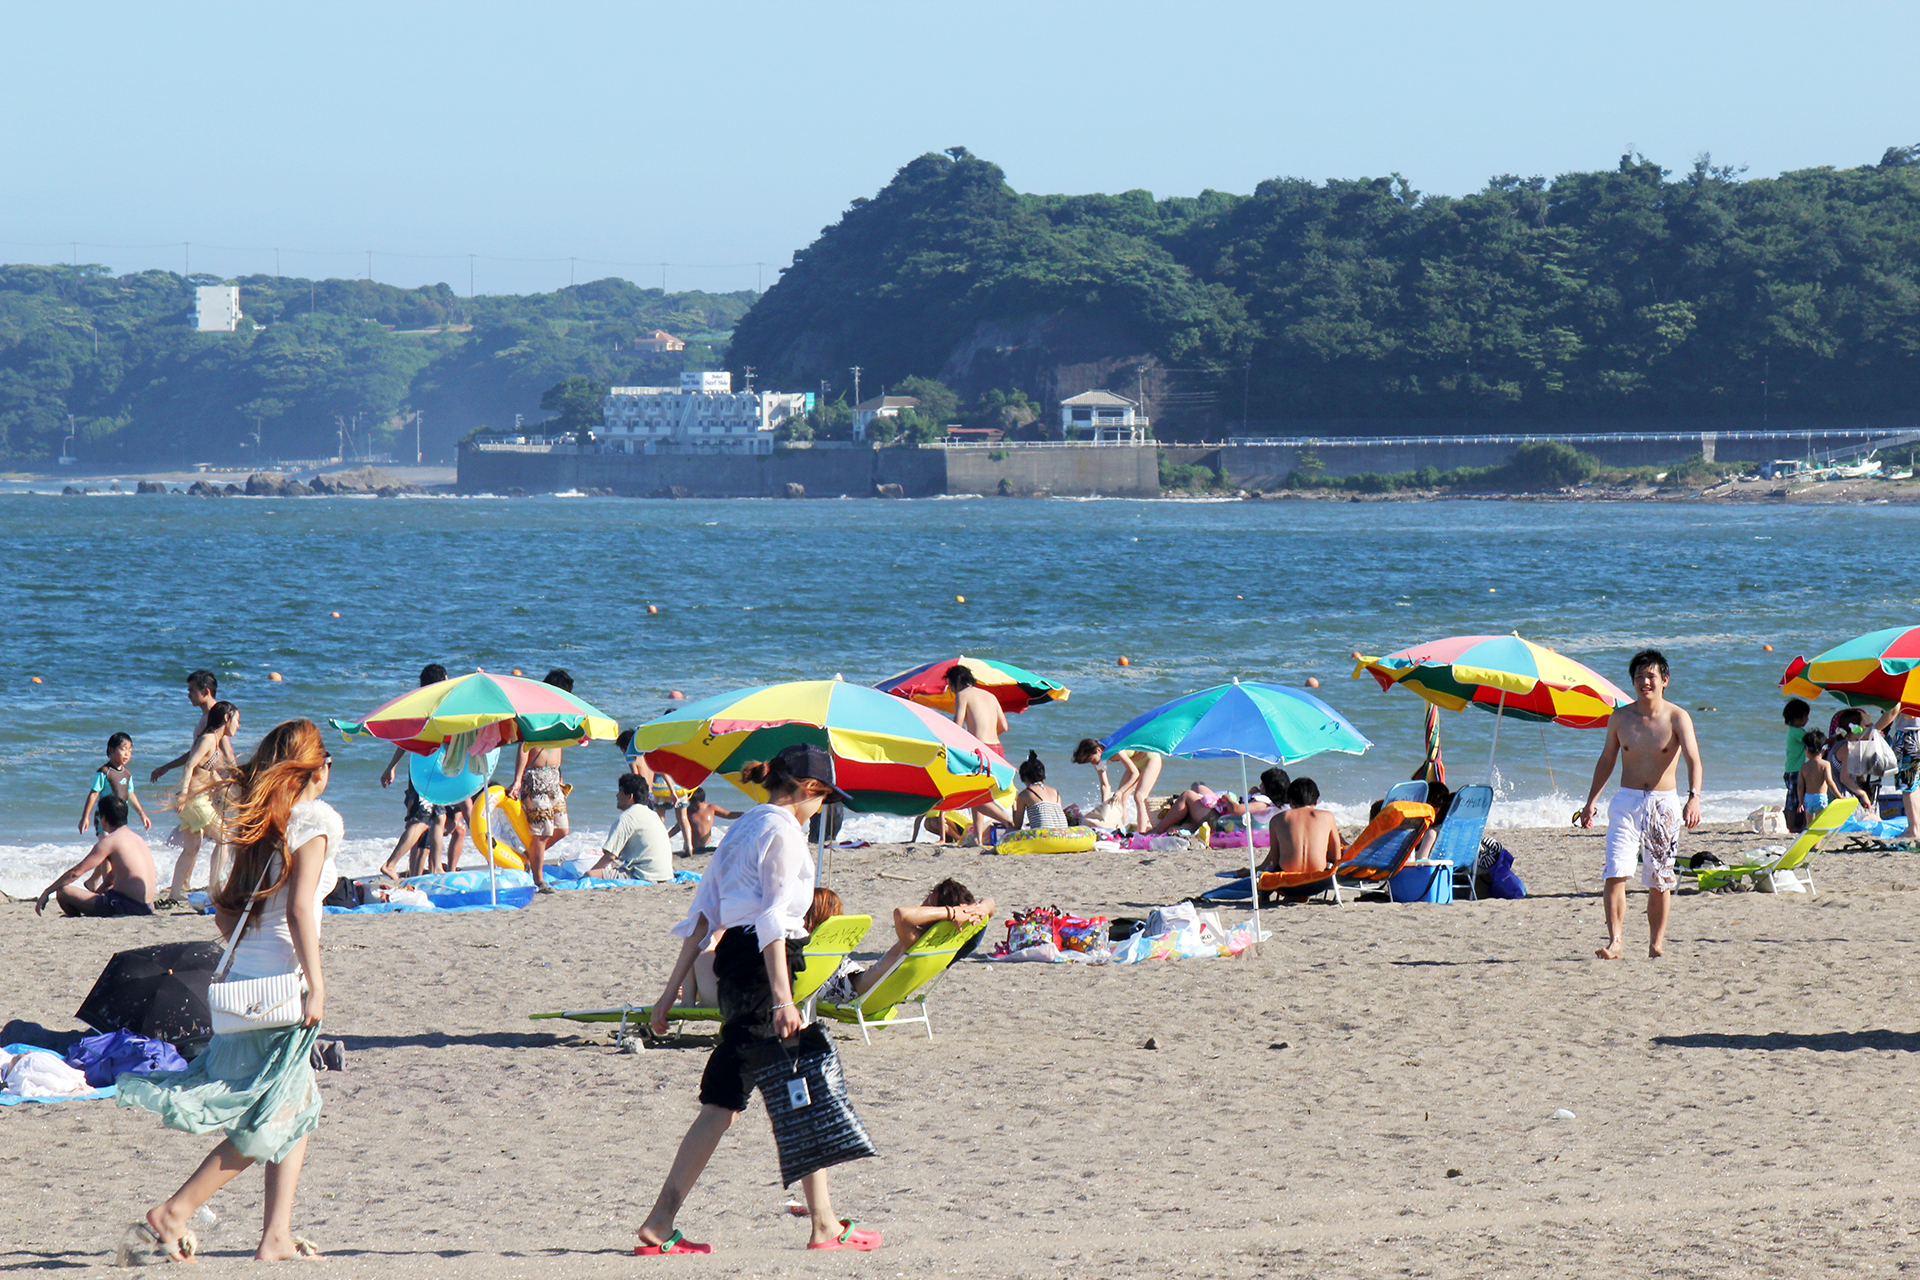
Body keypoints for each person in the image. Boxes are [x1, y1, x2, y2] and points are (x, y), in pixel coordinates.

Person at [634, 743, 880, 1255]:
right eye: (826, 798)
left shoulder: (743, 827)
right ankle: (825, 1226)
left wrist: (669, 993)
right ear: (809, 789)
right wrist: (783, 999)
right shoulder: (784, 833)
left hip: (734, 975)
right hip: (765, 971)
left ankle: (660, 1224)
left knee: (722, 1102)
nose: (823, 809)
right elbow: (772, 921)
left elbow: (703, 916)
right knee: (804, 1090)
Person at [115, 719, 338, 1264]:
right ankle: (175, 1211)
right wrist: (317, 982)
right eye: (328, 757)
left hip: (245, 982)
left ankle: (276, 1235)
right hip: (284, 985)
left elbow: (225, 911)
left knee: (296, 1104)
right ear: (312, 768)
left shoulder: (263, 824)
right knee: (273, 1114)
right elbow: (302, 908)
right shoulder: (316, 820)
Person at [1577, 648, 1704, 961]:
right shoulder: (1621, 717)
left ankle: (1655, 943)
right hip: (1627, 802)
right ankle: (1615, 941)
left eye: (1651, 676)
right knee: (1615, 872)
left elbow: (1693, 759)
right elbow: (1607, 759)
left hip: (1664, 804)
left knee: (1660, 877)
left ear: (1664, 680)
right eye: (1639, 677)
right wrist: (1590, 801)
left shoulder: (1677, 717)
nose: (1645, 682)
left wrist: (1694, 797)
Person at [818, 878, 995, 1003]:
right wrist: (981, 908)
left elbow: (901, 914)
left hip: (843, 988)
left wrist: (951, 912)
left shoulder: (917, 941)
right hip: (851, 976)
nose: (923, 906)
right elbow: (991, 902)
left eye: (929, 903)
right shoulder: (950, 945)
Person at [507, 668, 576, 893]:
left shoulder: (562, 715)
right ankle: (538, 879)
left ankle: (529, 856)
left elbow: (559, 747)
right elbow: (524, 747)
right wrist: (518, 780)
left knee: (562, 829)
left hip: (553, 777)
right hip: (535, 779)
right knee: (543, 831)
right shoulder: (535, 713)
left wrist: (560, 774)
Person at [164, 700, 238, 905]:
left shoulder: (214, 741)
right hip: (194, 800)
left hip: (194, 801)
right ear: (226, 718)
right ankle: (215, 888)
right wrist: (183, 795)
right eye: (237, 720)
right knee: (225, 839)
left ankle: (175, 892)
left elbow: (210, 773)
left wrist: (232, 797)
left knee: (191, 848)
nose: (238, 725)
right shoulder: (207, 739)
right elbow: (189, 765)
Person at [38, 796, 156, 917]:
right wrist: (100, 891)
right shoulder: (137, 838)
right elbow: (114, 874)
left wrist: (47, 892)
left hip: (126, 906)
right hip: (147, 906)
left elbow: (76, 872)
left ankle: (77, 917)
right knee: (108, 889)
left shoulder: (110, 841)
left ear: (103, 819)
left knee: (63, 892)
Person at [946, 666, 1014, 844]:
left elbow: (957, 725)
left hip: (979, 750)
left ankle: (1008, 822)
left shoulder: (963, 695)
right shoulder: (990, 696)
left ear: (958, 681)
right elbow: (1004, 727)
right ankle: (977, 837)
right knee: (979, 793)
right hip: (996, 748)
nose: (951, 690)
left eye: (951, 685)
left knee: (971, 795)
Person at [1257, 777, 1345, 901]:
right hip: (1318, 882)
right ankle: (1301, 895)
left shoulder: (1278, 819)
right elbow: (1337, 858)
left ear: (1291, 801)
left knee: (1270, 871)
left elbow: (1275, 860)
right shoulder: (1327, 817)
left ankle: (1265, 896)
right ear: (1316, 802)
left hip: (1286, 884)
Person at [618, 727, 701, 856]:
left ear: (625, 747)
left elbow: (636, 777)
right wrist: (672, 790)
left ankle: (657, 846)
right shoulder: (648, 754)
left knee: (657, 821)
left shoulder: (631, 756)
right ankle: (689, 846)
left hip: (647, 793)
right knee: (681, 818)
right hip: (664, 790)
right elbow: (662, 770)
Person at [150, 670, 236, 785]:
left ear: (206, 692)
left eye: (192, 691)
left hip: (213, 783)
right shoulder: (207, 716)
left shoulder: (216, 717)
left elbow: (228, 752)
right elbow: (197, 751)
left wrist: (236, 779)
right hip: (207, 782)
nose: (189, 695)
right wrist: (167, 767)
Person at [584, 773, 673, 882]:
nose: (617, 795)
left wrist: (590, 874)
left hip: (644, 874)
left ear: (630, 796)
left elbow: (610, 856)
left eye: (620, 791)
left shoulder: (627, 817)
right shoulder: (652, 814)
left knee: (590, 874)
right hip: (666, 873)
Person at [1072, 738, 1164, 834]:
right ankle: (1122, 829)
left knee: (1139, 796)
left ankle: (1141, 833)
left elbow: (1135, 774)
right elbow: (1105, 785)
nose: (1092, 763)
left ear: (1099, 751)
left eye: (1091, 759)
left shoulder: (1116, 749)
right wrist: (1105, 808)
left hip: (1150, 759)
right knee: (1120, 800)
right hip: (1134, 764)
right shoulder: (1100, 758)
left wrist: (1120, 791)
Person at [80, 732, 151, 835]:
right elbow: (93, 794)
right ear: (111, 750)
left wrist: (142, 814)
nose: (127, 753)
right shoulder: (104, 772)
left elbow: (130, 794)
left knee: (117, 848)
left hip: (120, 820)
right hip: (104, 819)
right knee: (107, 844)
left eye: (130, 750)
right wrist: (85, 817)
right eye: (123, 749)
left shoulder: (127, 773)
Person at [1880, 704, 1920, 850]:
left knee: (1907, 784)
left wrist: (1874, 730)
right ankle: (1916, 826)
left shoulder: (1906, 684)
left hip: (1909, 734)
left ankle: (1914, 829)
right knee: (1915, 784)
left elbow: (1893, 709)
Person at [1010, 752, 1068, 829]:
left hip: (1044, 837)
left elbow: (1017, 825)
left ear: (1025, 778)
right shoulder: (1055, 792)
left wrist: (1014, 806)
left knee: (1010, 830)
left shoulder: (1025, 794)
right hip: (1064, 835)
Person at [1782, 699, 1811, 832]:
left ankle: (1795, 824)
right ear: (1798, 718)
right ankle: (1791, 825)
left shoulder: (1793, 730)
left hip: (1792, 769)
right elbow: (1811, 741)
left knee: (1795, 797)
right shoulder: (1797, 731)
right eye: (1806, 716)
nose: (1807, 719)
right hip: (1795, 771)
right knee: (1795, 799)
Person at [1797, 730, 1839, 819]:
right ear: (1823, 750)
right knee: (1820, 823)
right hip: (1820, 799)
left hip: (1807, 798)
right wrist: (1839, 796)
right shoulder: (1825, 764)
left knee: (1810, 825)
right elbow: (1830, 782)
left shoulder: (1803, 766)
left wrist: (1801, 802)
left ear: (1807, 750)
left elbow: (1800, 786)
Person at [685, 787, 740, 853]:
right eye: (692, 805)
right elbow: (679, 826)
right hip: (692, 847)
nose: (694, 807)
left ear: (704, 801)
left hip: (707, 846)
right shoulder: (687, 811)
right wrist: (669, 835)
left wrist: (743, 814)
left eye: (697, 806)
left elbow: (728, 815)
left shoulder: (711, 808)